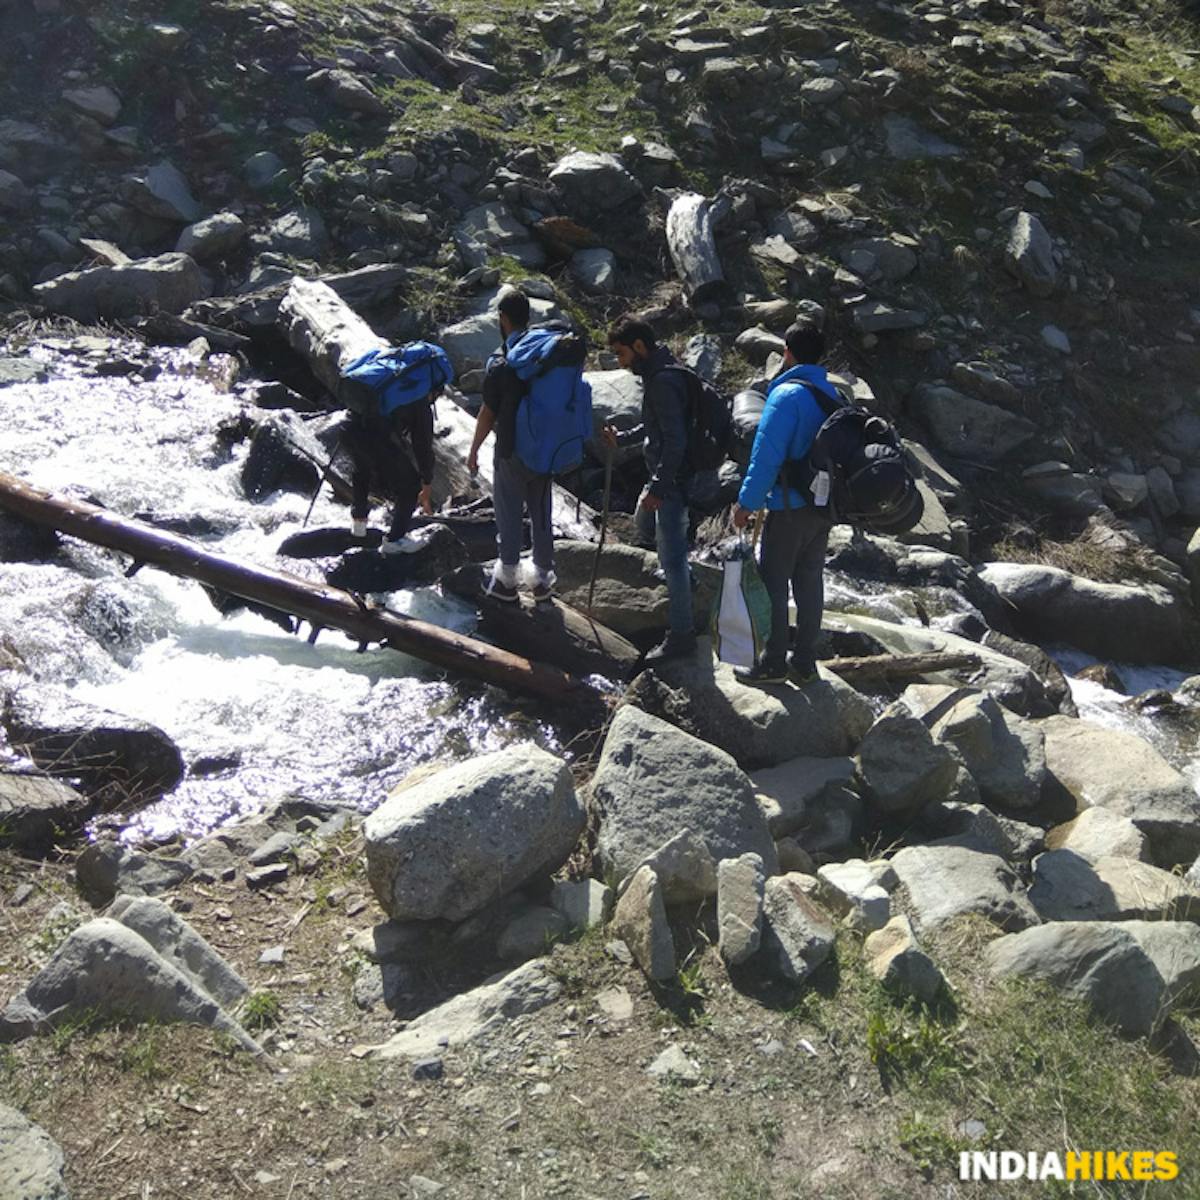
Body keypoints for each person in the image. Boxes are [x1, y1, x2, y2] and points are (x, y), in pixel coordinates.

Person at [731, 319, 833, 685]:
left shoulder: (787, 395)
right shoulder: (833, 395)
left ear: (786, 354)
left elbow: (766, 456)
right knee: (810, 581)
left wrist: (746, 503)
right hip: (823, 508)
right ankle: (804, 662)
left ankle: (773, 662)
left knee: (774, 580)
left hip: (788, 507)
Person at [604, 317, 697, 664]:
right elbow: (657, 426)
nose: (620, 361)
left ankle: (682, 636)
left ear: (640, 346)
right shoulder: (662, 372)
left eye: (622, 353)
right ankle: (687, 581)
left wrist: (659, 487)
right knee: (643, 524)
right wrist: (625, 439)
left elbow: (676, 440)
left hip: (671, 480)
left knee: (671, 559)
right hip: (664, 475)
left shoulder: (661, 381)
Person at [466, 287, 563, 603]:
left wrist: (474, 449)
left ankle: (507, 581)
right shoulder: (547, 353)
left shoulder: (502, 360)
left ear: (503, 319)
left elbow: (487, 412)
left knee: (508, 511)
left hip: (513, 450)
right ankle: (543, 579)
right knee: (541, 511)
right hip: (548, 447)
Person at [344, 384, 437, 555]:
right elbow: (422, 446)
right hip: (374, 436)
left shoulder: (390, 382)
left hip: (348, 426)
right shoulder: (419, 398)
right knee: (410, 487)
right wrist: (426, 480)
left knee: (362, 469)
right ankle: (395, 540)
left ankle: (359, 525)